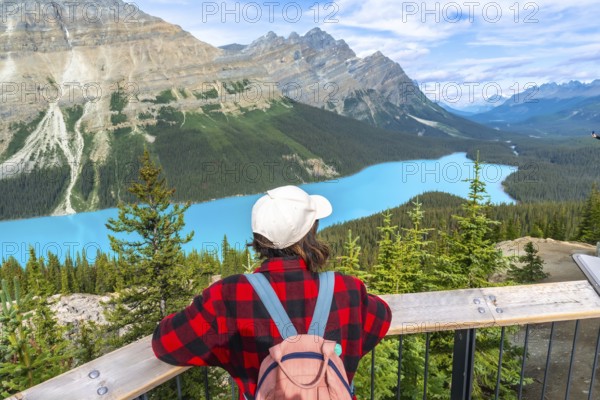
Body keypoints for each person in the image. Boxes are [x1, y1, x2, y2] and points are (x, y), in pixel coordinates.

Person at [152, 185, 392, 399]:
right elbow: (382, 317)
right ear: (310, 234)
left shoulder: (230, 297)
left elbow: (165, 344)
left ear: (259, 240)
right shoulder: (346, 290)